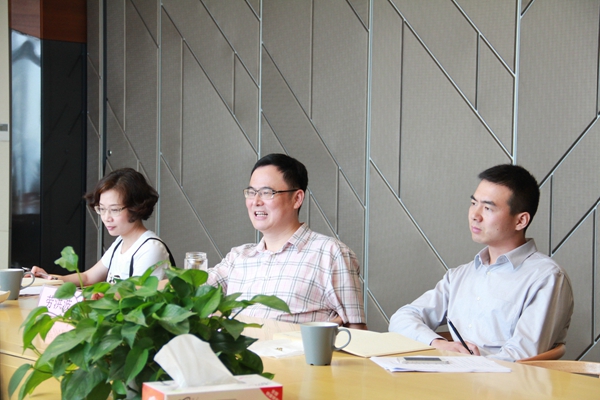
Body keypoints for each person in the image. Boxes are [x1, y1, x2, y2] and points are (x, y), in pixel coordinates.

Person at [388, 164, 574, 362]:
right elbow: (402, 318)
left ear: (520, 221)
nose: (475, 215)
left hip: (502, 381)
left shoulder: (547, 278)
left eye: (487, 208)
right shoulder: (460, 276)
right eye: (473, 203)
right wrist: (438, 343)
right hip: (453, 375)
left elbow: (521, 357)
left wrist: (469, 364)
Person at [207, 153, 367, 329]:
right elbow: (192, 292)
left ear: (297, 198)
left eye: (267, 193)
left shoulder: (330, 253)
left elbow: (357, 333)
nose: (256, 201)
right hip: (239, 347)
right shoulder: (238, 257)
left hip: (295, 347)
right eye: (251, 193)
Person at [31, 168, 174, 285]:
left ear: (136, 207)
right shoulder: (120, 242)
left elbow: (138, 298)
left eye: (114, 210)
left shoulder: (150, 249)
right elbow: (87, 277)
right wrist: (49, 278)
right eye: (102, 209)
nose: (106, 218)